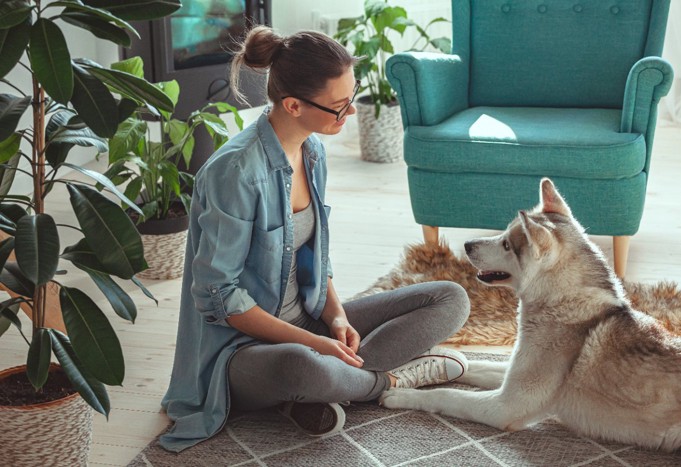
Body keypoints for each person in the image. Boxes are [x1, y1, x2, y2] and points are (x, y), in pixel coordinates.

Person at [160, 26, 471, 453]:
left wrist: (338, 318)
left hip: (308, 320)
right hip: (243, 352)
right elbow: (220, 297)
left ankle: (331, 388)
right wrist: (315, 343)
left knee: (451, 298)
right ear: (293, 105)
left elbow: (314, 258)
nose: (350, 116)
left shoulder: (311, 151)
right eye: (340, 108)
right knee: (302, 366)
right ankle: (389, 381)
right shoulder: (234, 172)